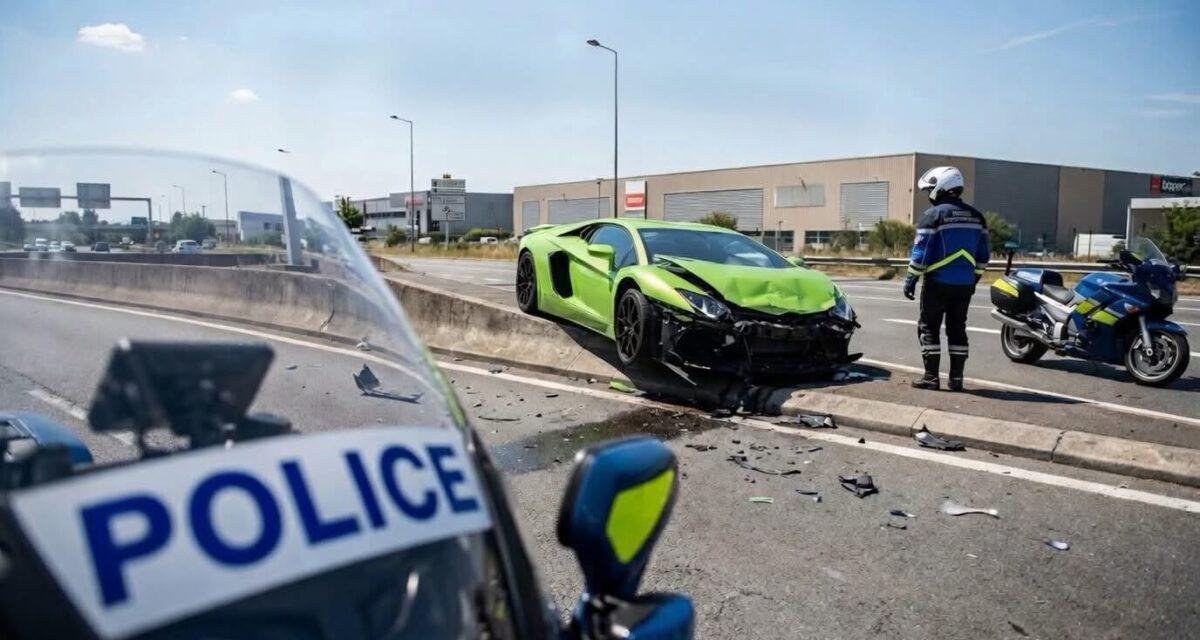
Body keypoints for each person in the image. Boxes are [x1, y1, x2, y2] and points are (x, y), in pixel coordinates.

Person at [903, 166, 989, 391]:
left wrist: (910, 279)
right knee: (957, 328)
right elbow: (983, 256)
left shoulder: (933, 215)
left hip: (937, 283)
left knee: (929, 327)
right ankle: (956, 380)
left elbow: (921, 252)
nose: (929, 193)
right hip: (964, 285)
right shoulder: (977, 217)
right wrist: (974, 279)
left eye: (930, 189)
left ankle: (931, 378)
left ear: (940, 187)